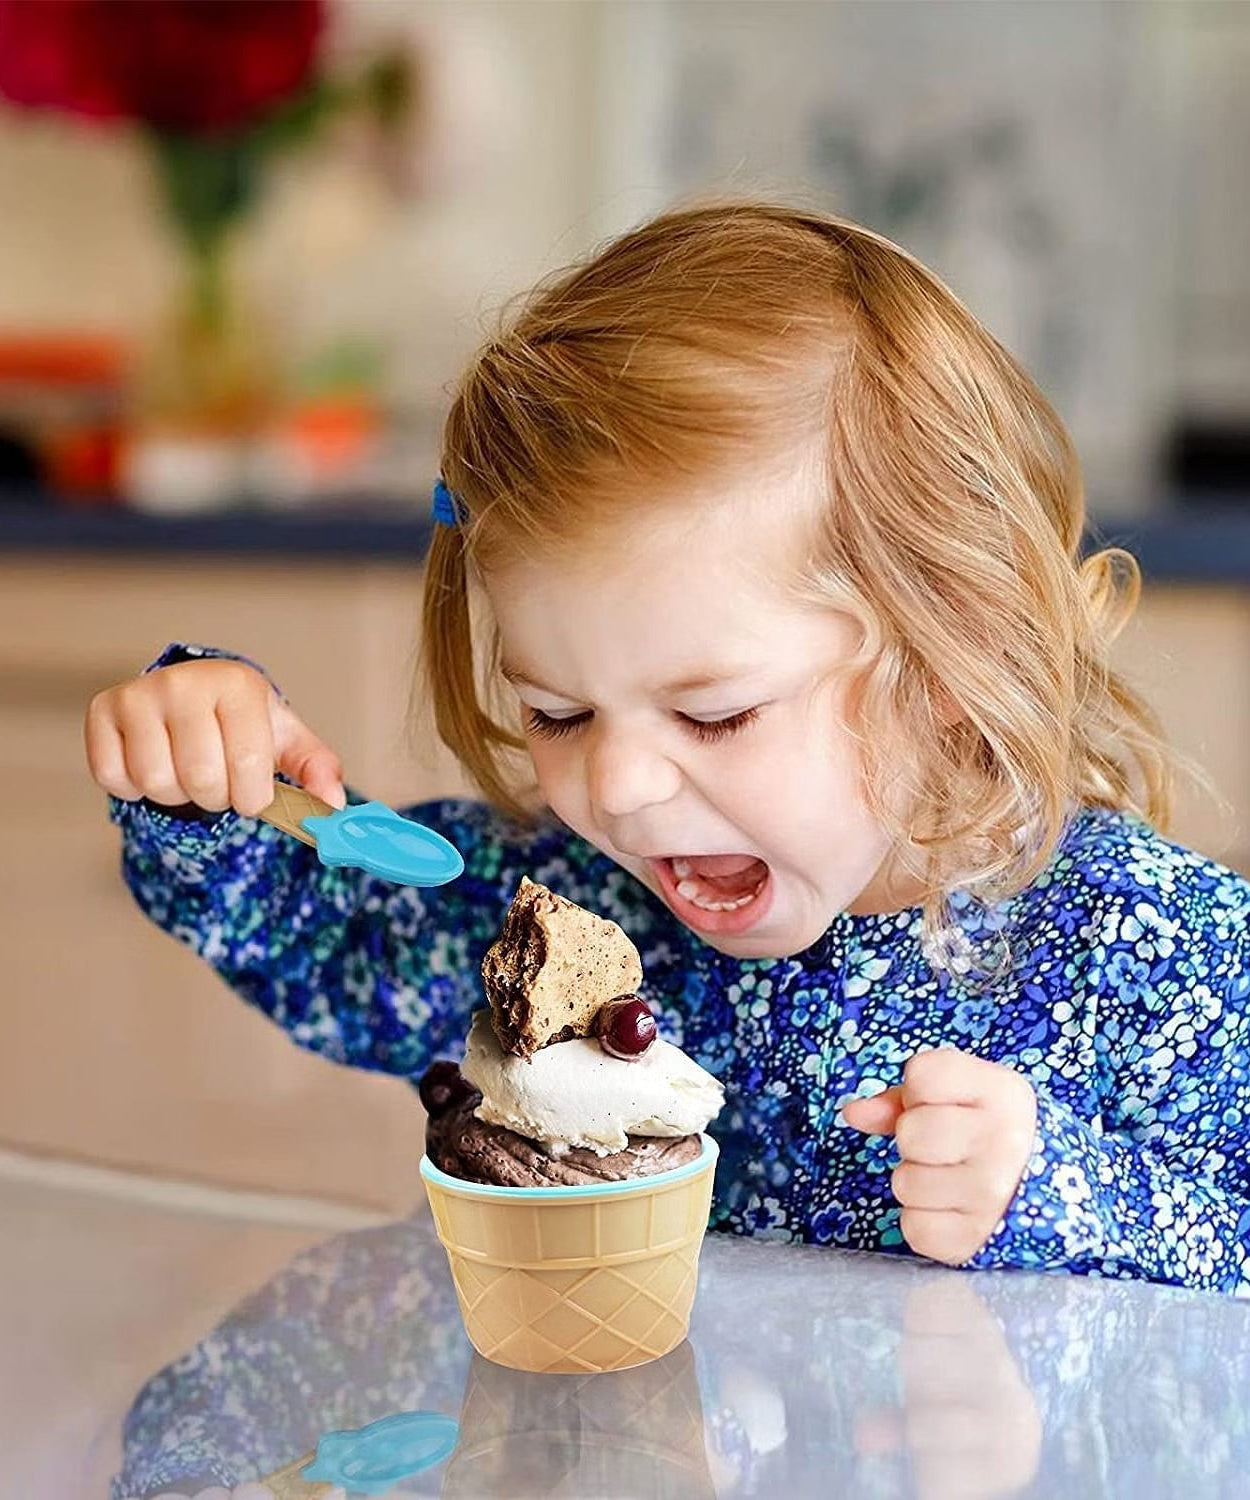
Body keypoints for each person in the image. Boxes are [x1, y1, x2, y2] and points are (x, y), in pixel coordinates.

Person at [85, 201, 1250, 1291]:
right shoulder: (554, 913)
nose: (620, 788)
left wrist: (1059, 1193)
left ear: (953, 653)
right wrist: (205, 788)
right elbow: (309, 941)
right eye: (558, 713)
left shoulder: (1150, 952)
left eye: (713, 715)